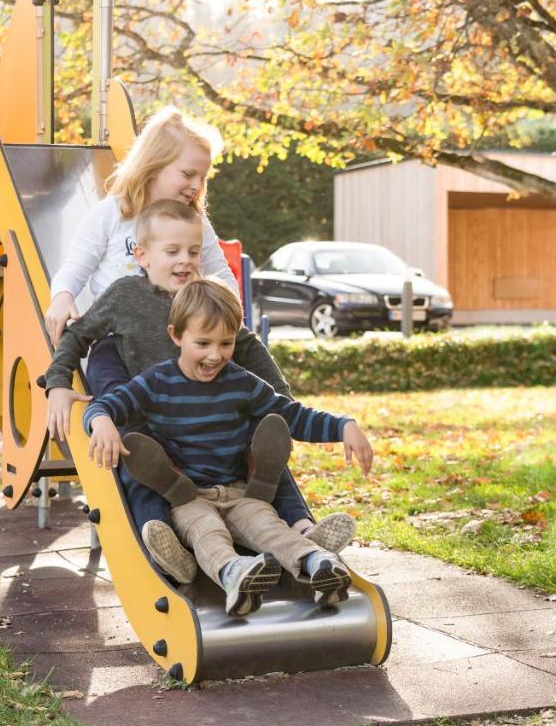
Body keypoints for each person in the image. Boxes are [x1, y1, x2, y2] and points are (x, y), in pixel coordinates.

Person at [43, 199, 354, 582]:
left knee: (266, 444)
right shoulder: (124, 295)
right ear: (142, 255)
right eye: (172, 251)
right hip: (157, 416)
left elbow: (246, 344)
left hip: (211, 412)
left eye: (193, 251)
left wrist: (280, 397)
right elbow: (77, 336)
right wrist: (58, 383)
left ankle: (304, 529)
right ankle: (162, 543)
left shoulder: (204, 296)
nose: (185, 260)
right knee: (140, 461)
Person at [80, 278, 375, 615]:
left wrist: (343, 425)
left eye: (226, 343)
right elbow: (107, 405)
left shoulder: (242, 383)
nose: (215, 355)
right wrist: (100, 420)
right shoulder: (156, 382)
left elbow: (292, 415)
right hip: (188, 497)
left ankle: (318, 564)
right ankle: (233, 573)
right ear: (176, 335)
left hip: (238, 492)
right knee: (207, 533)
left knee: (269, 527)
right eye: (203, 343)